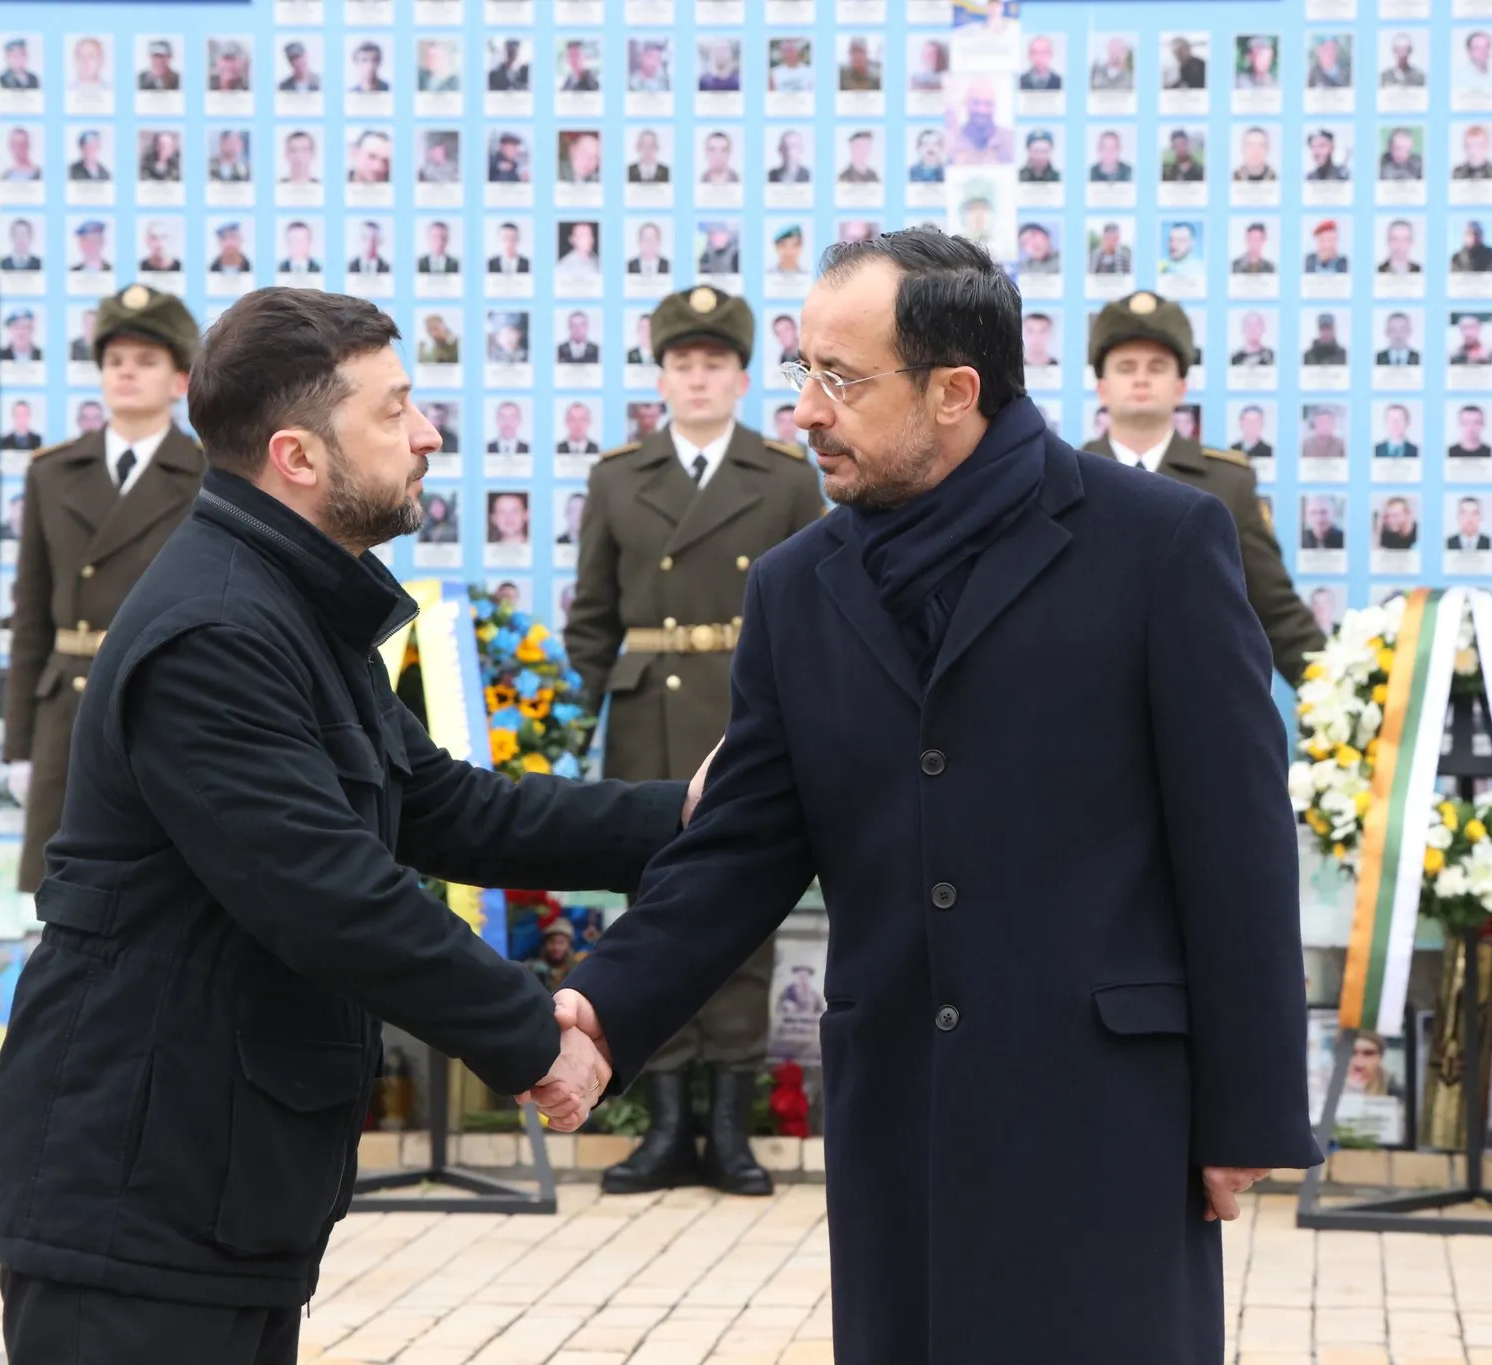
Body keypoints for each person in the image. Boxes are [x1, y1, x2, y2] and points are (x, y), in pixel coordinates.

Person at [542, 231, 1317, 1363]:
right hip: (899, 1104)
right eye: (802, 371)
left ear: (953, 391)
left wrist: (1246, 1108)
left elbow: (1236, 842)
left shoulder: (1155, 543)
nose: (804, 411)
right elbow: (742, 844)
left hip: (1106, 1109)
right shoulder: (800, 587)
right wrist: (602, 1009)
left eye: (839, 379)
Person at [0, 287, 700, 1362]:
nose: (427, 436)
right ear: (298, 456)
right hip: (138, 1193)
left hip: (215, 1183)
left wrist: (684, 813)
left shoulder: (288, 600)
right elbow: (327, 894)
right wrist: (530, 1040)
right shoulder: (217, 631)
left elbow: (443, 804)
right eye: (394, 410)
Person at [563, 286, 825, 1197]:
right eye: (684, 363)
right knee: (652, 911)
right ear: (662, 378)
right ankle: (666, 1125)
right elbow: (592, 621)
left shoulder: (786, 476)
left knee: (748, 912)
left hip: (746, 715)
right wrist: (571, 726)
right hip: (648, 720)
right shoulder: (617, 477)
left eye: (716, 364)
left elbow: (817, 616)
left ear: (744, 379)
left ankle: (732, 1129)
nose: (700, 378)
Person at [3, 286, 206, 894]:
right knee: (63, 892)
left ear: (180, 380)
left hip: (166, 698)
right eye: (114, 360)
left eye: (146, 361)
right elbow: (31, 616)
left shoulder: (209, 476)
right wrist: (19, 746)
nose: (126, 373)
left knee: (164, 886)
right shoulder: (52, 472)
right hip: (67, 705)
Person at [1082, 293, 1322, 685]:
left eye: (1157, 367)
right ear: (1102, 387)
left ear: (1180, 387)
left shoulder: (1227, 484)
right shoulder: (1063, 478)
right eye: (1126, 367)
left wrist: (1342, 693)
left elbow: (1276, 612)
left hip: (1197, 700)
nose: (1141, 378)